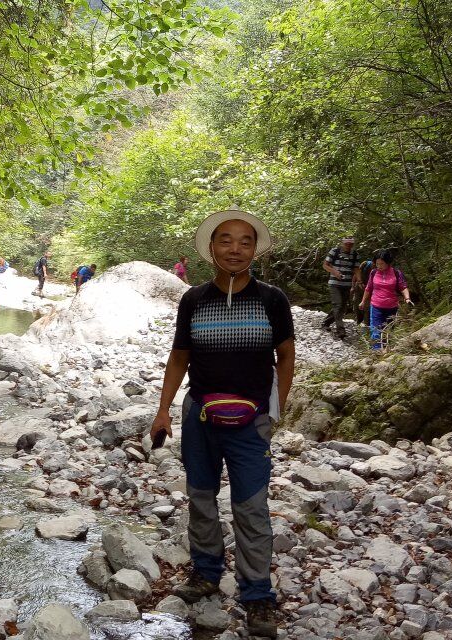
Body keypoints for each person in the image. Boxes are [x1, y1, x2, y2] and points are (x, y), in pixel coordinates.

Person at [149, 206, 295, 638]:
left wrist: (275, 409)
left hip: (252, 422)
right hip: (200, 416)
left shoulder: (272, 299)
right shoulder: (193, 299)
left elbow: (285, 357)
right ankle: (207, 572)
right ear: (210, 249)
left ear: (255, 250)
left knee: (252, 507)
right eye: (226, 240)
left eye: (245, 241)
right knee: (200, 496)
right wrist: (162, 411)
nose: (235, 249)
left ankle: (257, 594)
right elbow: (180, 357)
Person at [358, 250, 412, 351]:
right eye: (377, 263)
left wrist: (407, 298)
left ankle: (387, 350)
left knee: (388, 331)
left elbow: (403, 287)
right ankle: (377, 352)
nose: (379, 266)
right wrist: (363, 301)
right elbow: (368, 288)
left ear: (388, 262)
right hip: (376, 306)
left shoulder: (396, 273)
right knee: (376, 330)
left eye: (381, 264)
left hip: (391, 307)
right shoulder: (373, 272)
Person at [321, 236, 361, 338]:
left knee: (342, 307)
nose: (348, 245)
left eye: (350, 244)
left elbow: (356, 269)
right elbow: (325, 265)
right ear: (342, 243)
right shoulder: (335, 251)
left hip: (347, 284)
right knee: (338, 305)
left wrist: (359, 280)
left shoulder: (355, 254)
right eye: (346, 243)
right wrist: (335, 272)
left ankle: (325, 323)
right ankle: (340, 330)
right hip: (334, 284)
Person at [354, 257, 375, 325]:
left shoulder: (378, 268)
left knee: (367, 307)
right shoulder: (366, 264)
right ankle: (359, 321)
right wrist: (353, 286)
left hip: (369, 289)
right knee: (357, 304)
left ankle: (366, 324)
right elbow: (356, 274)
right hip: (360, 286)